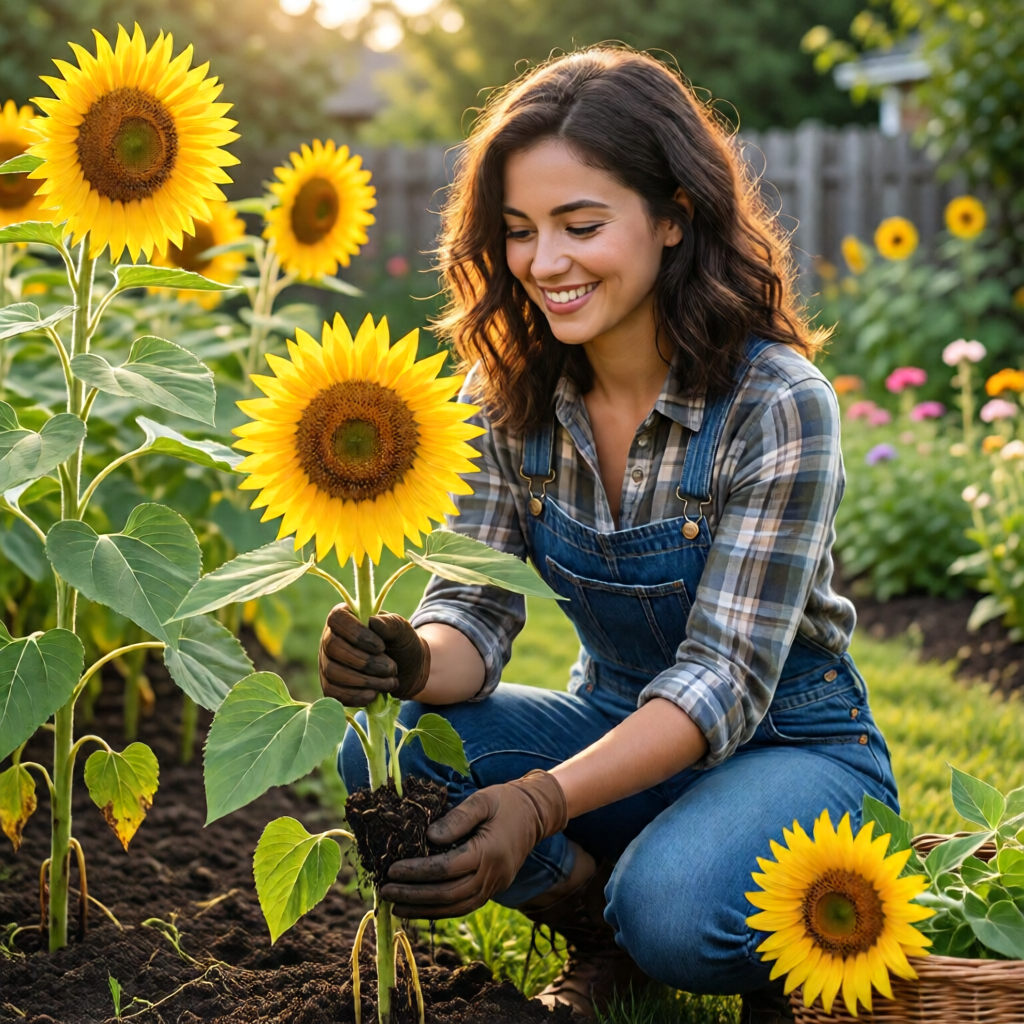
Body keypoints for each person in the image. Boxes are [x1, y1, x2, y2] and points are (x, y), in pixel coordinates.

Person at [318, 47, 898, 1024]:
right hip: (614, 724)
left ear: (673, 215)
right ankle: (602, 921)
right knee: (391, 753)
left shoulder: (775, 404)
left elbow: (722, 678)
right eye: (518, 231)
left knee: (674, 909)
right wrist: (409, 661)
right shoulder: (506, 399)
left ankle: (682, 919)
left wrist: (542, 803)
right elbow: (476, 607)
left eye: (580, 225)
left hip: (789, 745)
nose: (545, 263)